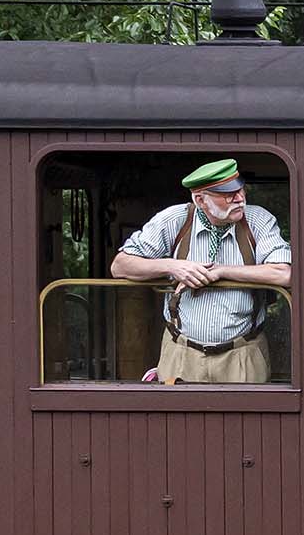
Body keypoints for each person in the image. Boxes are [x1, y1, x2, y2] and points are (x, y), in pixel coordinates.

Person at [111, 157, 292, 384]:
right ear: (200, 200)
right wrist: (173, 266)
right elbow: (120, 266)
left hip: (243, 354)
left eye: (241, 190)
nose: (240, 199)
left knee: (247, 421)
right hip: (181, 353)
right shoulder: (175, 219)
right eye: (228, 195)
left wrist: (222, 271)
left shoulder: (257, 220)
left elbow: (284, 274)